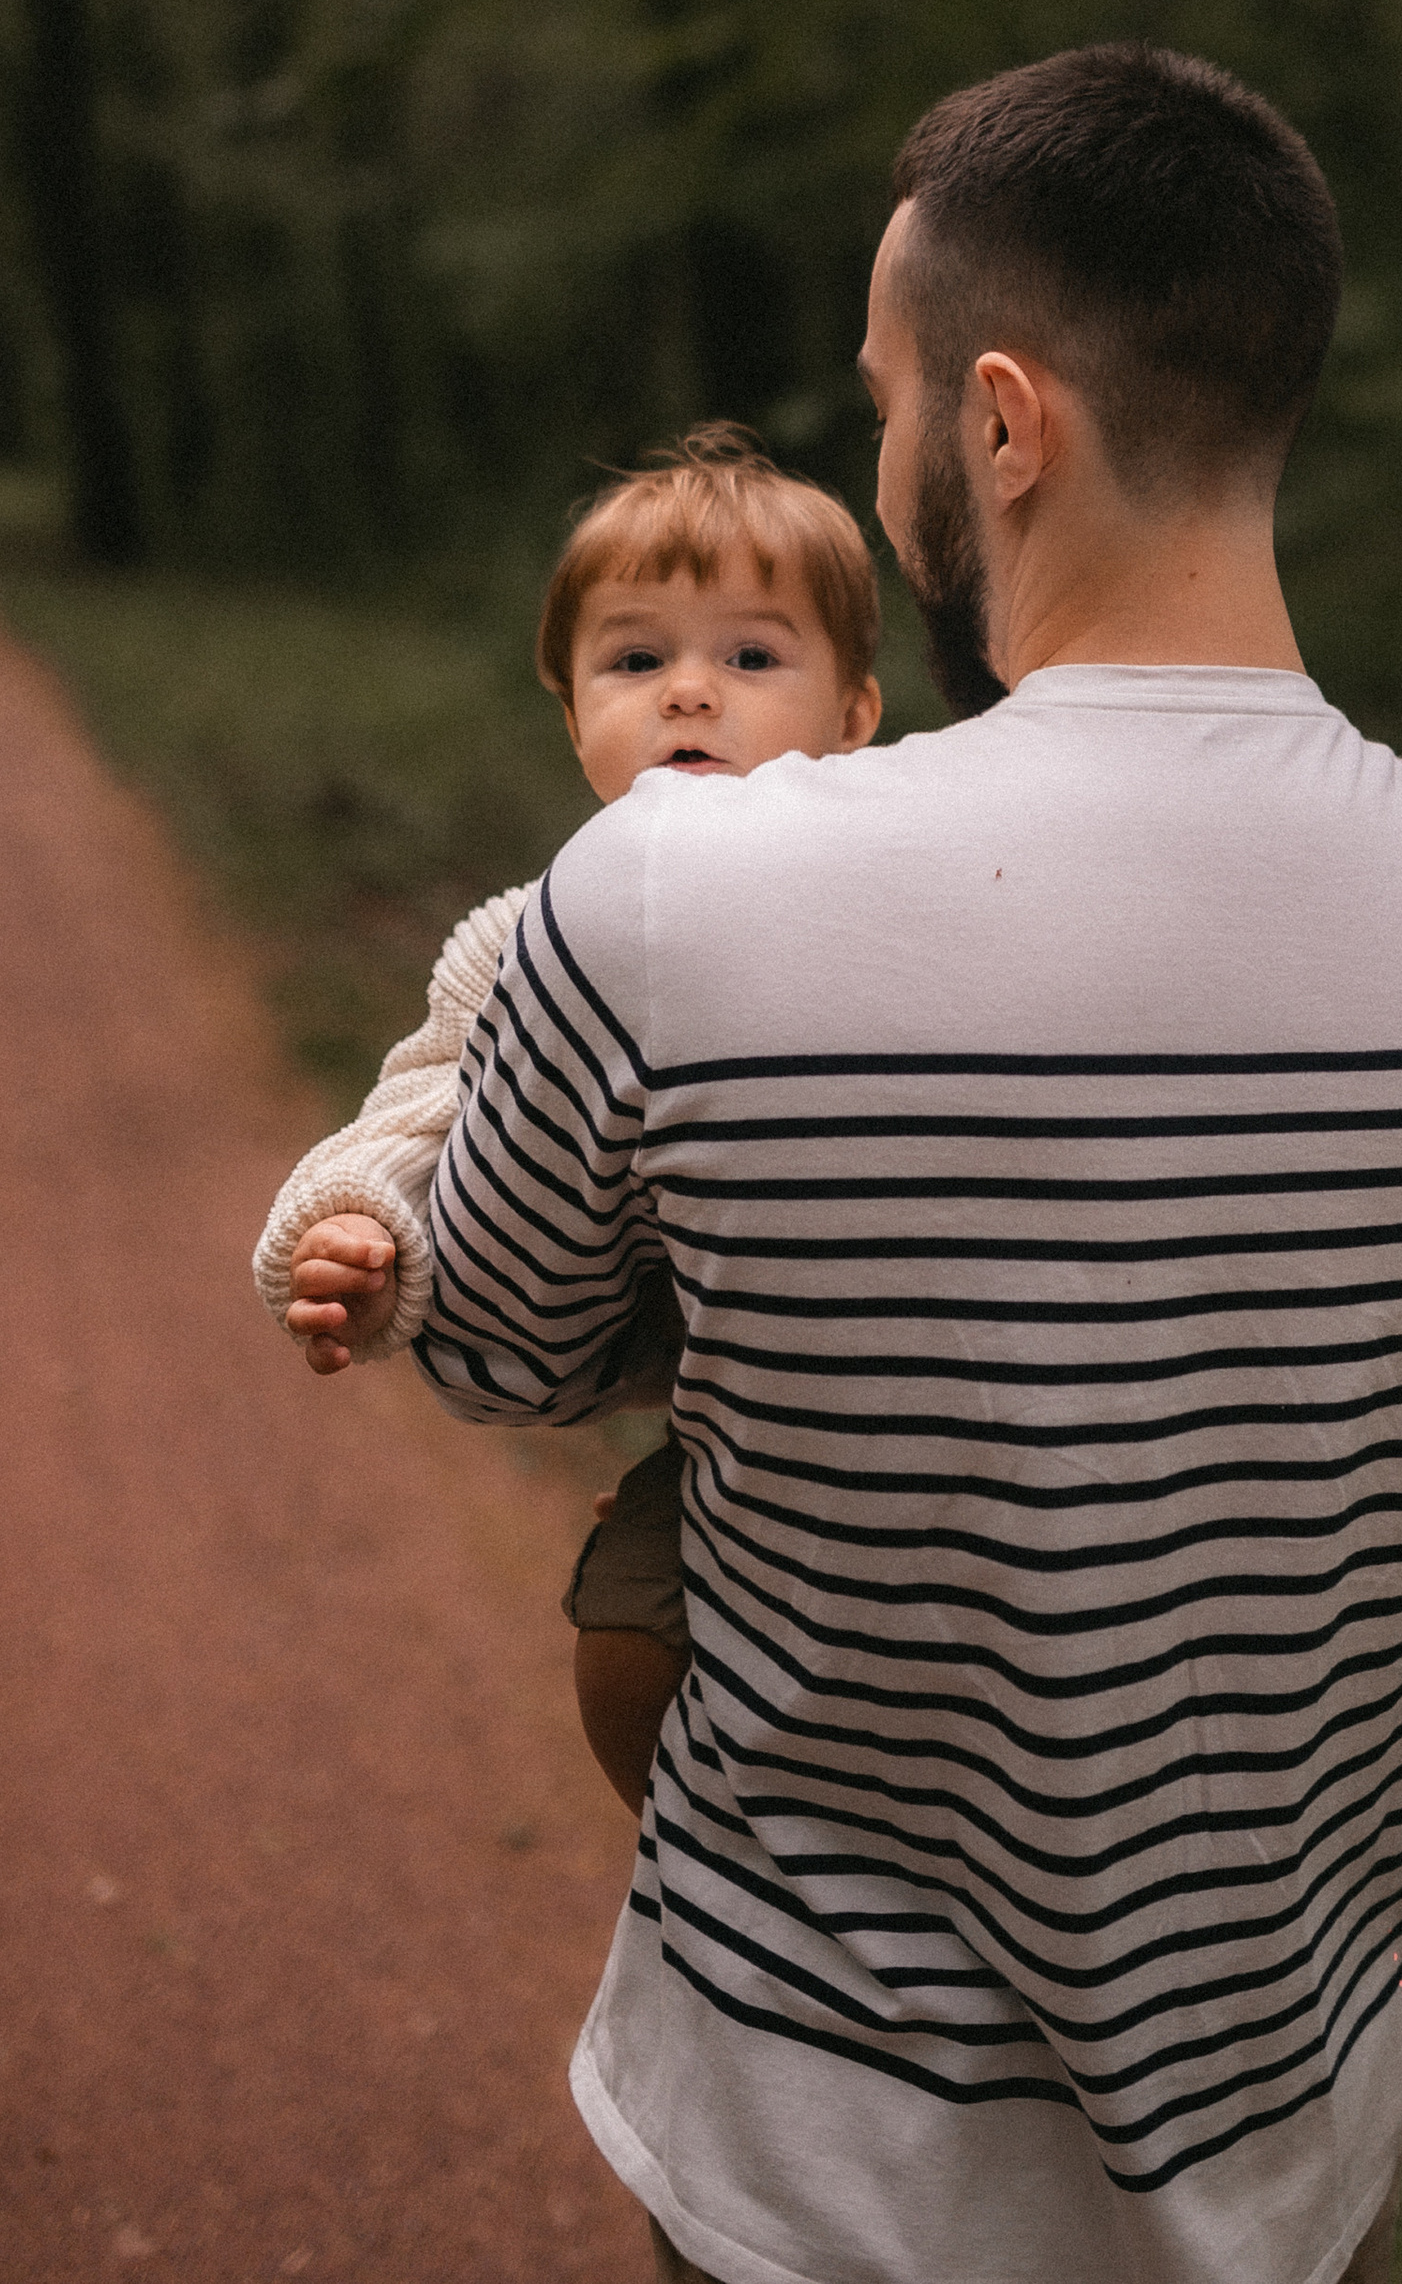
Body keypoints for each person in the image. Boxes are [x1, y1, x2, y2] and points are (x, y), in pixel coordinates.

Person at [414, 44, 1402, 2284]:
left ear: (998, 423)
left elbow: (495, 1355)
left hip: (822, 2135)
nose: (876, 438)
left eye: (887, 389)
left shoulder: (680, 892)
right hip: (1299, 2120)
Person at [252, 425, 882, 1805]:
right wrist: (355, 1226)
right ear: (574, 715)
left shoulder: (904, 905)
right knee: (629, 1641)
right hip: (736, 1423)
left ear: (857, 717)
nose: (691, 695)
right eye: (637, 659)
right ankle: (713, 1858)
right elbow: (418, 1104)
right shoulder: (528, 941)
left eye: (753, 657)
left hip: (920, 1403)